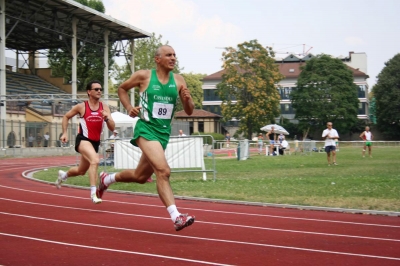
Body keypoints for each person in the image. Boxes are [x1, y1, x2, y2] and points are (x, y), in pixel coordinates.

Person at [96, 45, 195, 231]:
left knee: (140, 176)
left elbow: (189, 111)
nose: (173, 58)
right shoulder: (145, 76)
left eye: (174, 54)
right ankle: (176, 216)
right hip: (146, 129)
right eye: (169, 55)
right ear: (158, 59)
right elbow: (122, 89)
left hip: (163, 134)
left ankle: (106, 179)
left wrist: (188, 99)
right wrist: (128, 107)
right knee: (163, 171)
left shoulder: (179, 80)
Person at [55, 80, 115, 204]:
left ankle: (64, 175)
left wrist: (107, 118)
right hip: (83, 139)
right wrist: (64, 132)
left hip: (95, 143)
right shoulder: (82, 106)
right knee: (95, 160)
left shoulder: (105, 107)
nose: (99, 91)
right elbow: (66, 116)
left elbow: (112, 127)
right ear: (89, 92)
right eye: (96, 89)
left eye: (100, 89)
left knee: (81, 171)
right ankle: (93, 193)